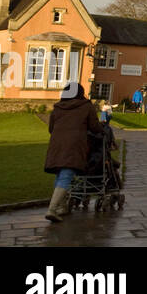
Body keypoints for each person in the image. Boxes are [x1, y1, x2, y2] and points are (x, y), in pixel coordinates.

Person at [43, 81, 102, 222]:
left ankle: (61, 206)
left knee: (60, 174)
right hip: (74, 144)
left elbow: (51, 128)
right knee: (66, 174)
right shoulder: (86, 106)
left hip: (57, 144)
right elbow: (94, 127)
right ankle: (52, 209)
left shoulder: (58, 107)